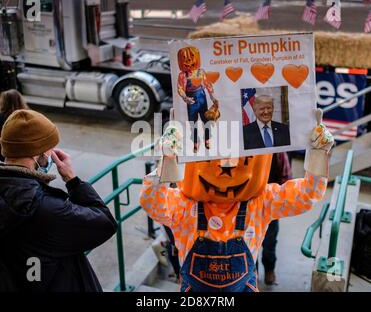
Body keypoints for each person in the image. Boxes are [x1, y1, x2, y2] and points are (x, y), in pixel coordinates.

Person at [140, 110, 334, 292]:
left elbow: (306, 195)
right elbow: (152, 202)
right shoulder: (184, 205)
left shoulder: (260, 203)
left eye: (244, 159)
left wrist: (317, 153)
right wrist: (167, 160)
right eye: (210, 159)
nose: (227, 166)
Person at [0, 110, 117, 292]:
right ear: (37, 153)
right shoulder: (48, 208)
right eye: (49, 149)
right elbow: (105, 222)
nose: (51, 154)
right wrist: (73, 180)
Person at [261, 152, 292, 286]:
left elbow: (286, 177)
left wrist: (280, 201)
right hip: (246, 201)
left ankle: (269, 270)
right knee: (246, 241)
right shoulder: (244, 141)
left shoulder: (277, 150)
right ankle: (251, 274)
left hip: (270, 204)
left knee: (269, 242)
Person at [0, 89, 29, 162]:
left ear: (4, 102)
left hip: (3, 153)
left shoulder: (1, 117)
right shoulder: (28, 117)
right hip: (23, 155)